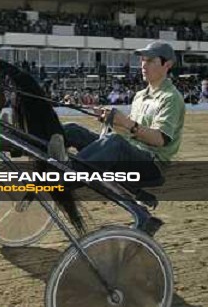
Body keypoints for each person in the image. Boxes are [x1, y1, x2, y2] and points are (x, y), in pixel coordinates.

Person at [63, 41, 185, 234]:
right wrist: (106, 116)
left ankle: (62, 180)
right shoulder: (140, 96)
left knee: (114, 142)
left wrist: (126, 123)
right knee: (72, 130)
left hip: (152, 164)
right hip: (130, 153)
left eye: (150, 60)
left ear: (167, 64)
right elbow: (130, 131)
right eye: (143, 60)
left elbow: (160, 140)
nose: (143, 65)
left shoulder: (171, 98)